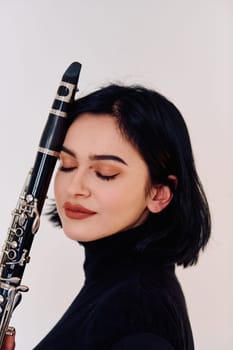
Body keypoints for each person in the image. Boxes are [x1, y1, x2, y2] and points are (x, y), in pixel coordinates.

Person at [3, 84, 211, 349]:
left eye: (105, 172)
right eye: (67, 165)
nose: (74, 187)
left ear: (159, 193)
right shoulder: (117, 288)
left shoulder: (139, 318)